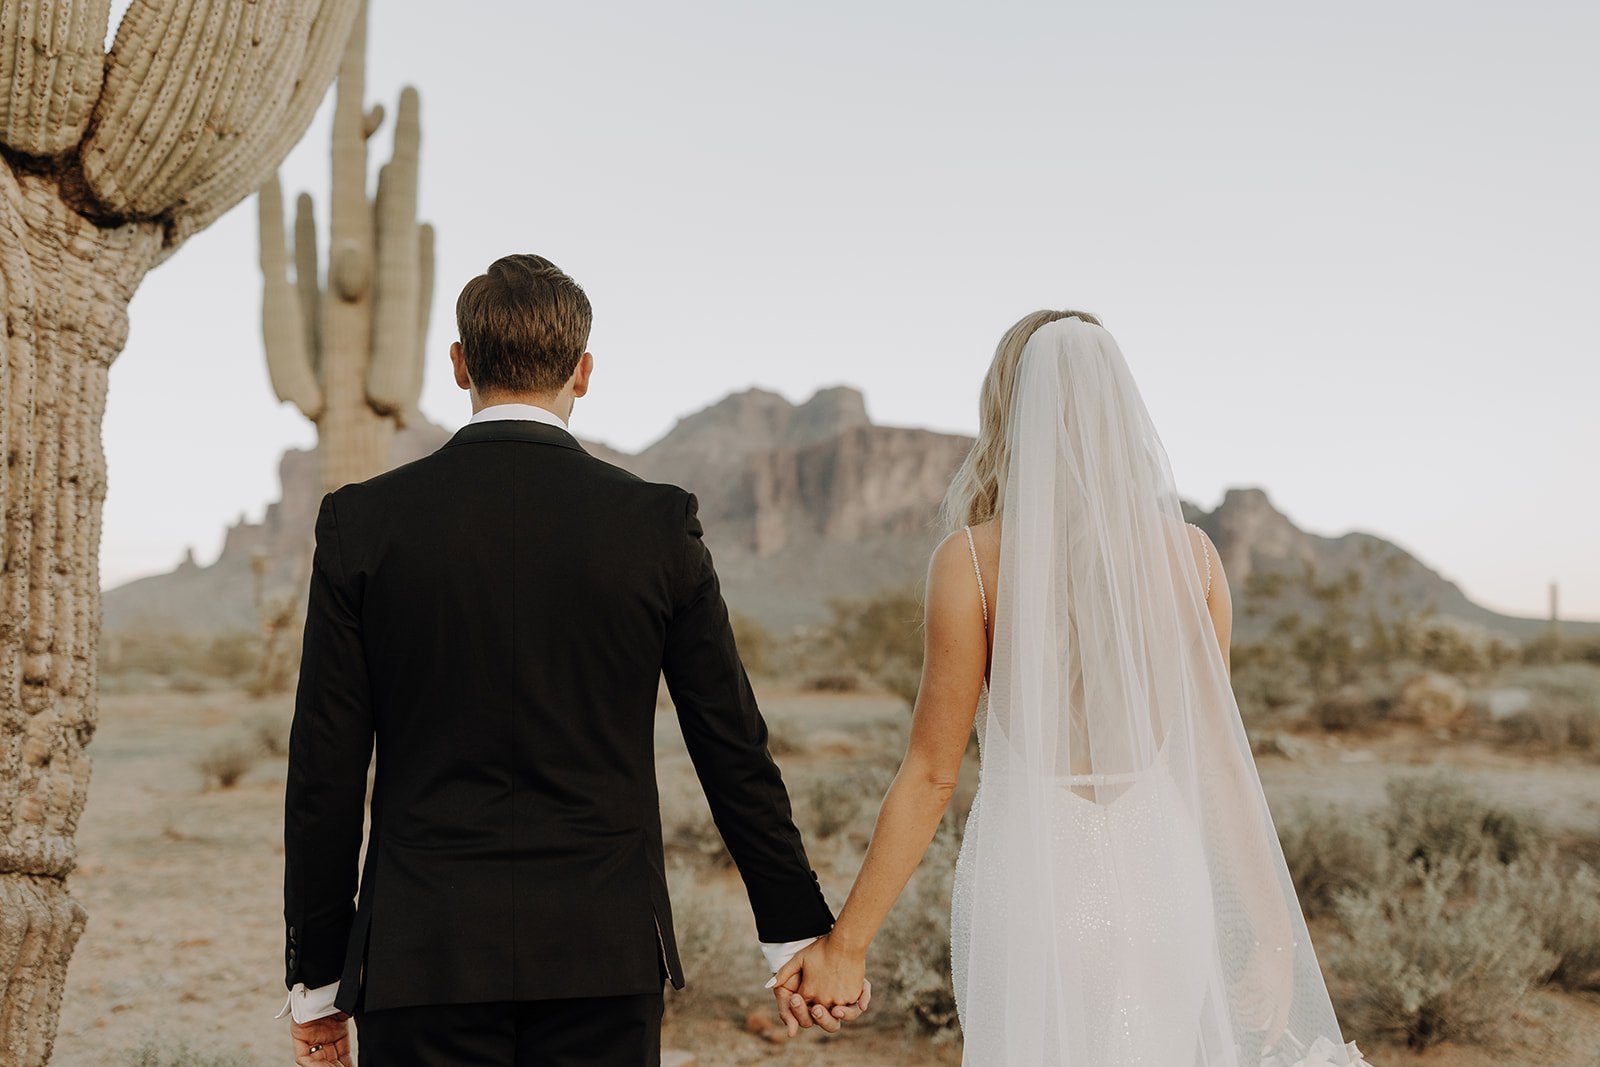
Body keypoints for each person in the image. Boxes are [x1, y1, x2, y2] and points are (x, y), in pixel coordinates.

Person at [278, 254, 865, 1066]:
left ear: (458, 364)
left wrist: (316, 981)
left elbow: (324, 772)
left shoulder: (363, 524)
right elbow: (731, 744)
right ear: (582, 372)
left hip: (425, 950)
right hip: (604, 948)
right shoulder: (655, 525)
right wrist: (796, 926)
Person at [772, 312, 1373, 1066]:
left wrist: (846, 944)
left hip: (1035, 885)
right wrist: (1273, 934)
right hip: (1164, 880)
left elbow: (931, 774)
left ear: (1008, 408)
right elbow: (1221, 766)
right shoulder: (1196, 559)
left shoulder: (972, 561)